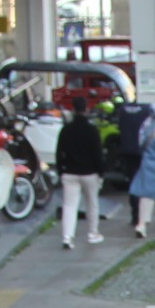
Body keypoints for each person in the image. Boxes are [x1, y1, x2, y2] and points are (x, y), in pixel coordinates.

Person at [56, 104, 106, 248]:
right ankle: (92, 233)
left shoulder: (66, 130)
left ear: (73, 110)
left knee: (69, 206)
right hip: (90, 173)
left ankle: (67, 237)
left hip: (70, 172)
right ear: (86, 110)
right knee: (92, 203)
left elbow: (59, 152)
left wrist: (61, 170)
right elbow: (98, 153)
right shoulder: (92, 130)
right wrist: (100, 172)